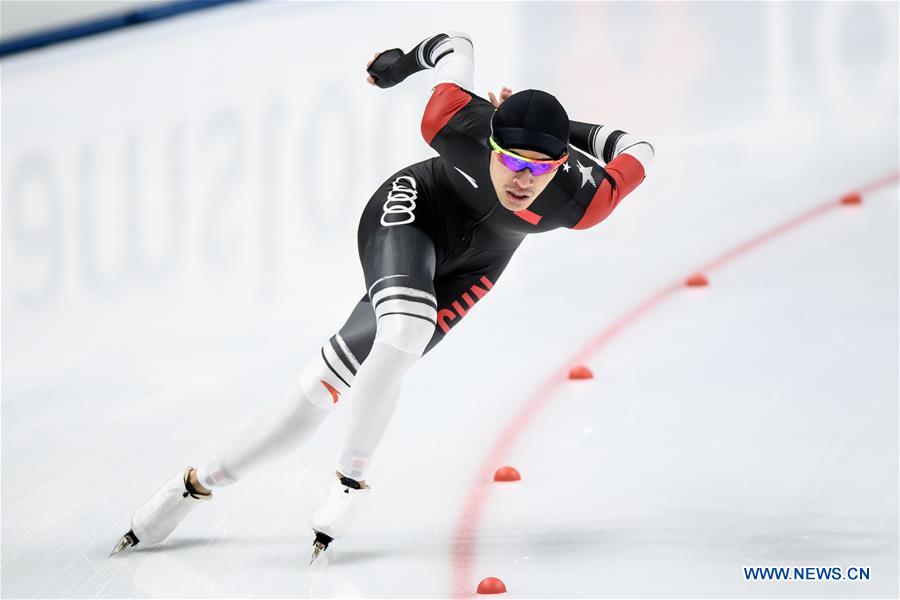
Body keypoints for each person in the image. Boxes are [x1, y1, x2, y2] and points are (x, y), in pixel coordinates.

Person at [111, 31, 654, 564]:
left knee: (327, 383)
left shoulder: (584, 201)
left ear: (561, 167)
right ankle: (351, 480)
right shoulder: (454, 120)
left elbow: (641, 149)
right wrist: (401, 64)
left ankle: (193, 486)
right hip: (413, 211)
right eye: (511, 159)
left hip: (478, 265)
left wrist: (562, 132)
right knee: (406, 330)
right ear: (489, 140)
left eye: (540, 168)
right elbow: (456, 47)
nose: (522, 179)